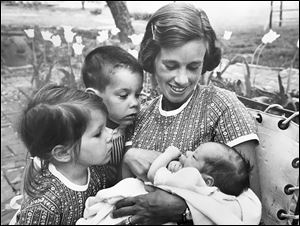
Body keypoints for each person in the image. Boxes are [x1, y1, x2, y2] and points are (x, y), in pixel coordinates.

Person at [111, 2, 261, 225]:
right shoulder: (140, 115)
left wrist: (184, 208)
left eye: (193, 67)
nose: (182, 79)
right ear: (152, 60)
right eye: (170, 65)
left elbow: (251, 205)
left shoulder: (221, 107)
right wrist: (128, 157)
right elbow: (120, 192)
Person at [13, 84, 118, 225]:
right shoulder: (44, 205)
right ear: (62, 153)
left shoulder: (96, 170)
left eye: (106, 127)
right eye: (98, 133)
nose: (111, 134)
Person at [81, 45, 144, 169]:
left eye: (137, 95)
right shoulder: (83, 133)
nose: (135, 103)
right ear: (94, 97)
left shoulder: (137, 127)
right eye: (123, 95)